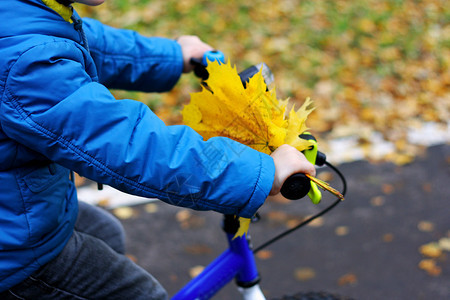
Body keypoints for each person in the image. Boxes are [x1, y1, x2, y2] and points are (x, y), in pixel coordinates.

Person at [0, 0, 316, 299]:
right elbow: (130, 145)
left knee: (106, 234)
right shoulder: (28, 62)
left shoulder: (25, 13)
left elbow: (88, 42)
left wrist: (173, 55)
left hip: (17, 209)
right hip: (13, 255)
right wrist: (257, 172)